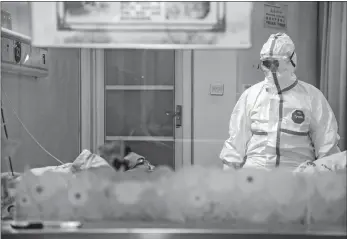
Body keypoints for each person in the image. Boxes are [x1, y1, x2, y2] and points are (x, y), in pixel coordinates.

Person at [220, 32, 341, 171]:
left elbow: (327, 145)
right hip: (255, 177)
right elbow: (236, 143)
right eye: (267, 63)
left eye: (276, 63)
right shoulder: (251, 96)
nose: (272, 69)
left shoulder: (312, 97)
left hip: (296, 177)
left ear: (291, 61)